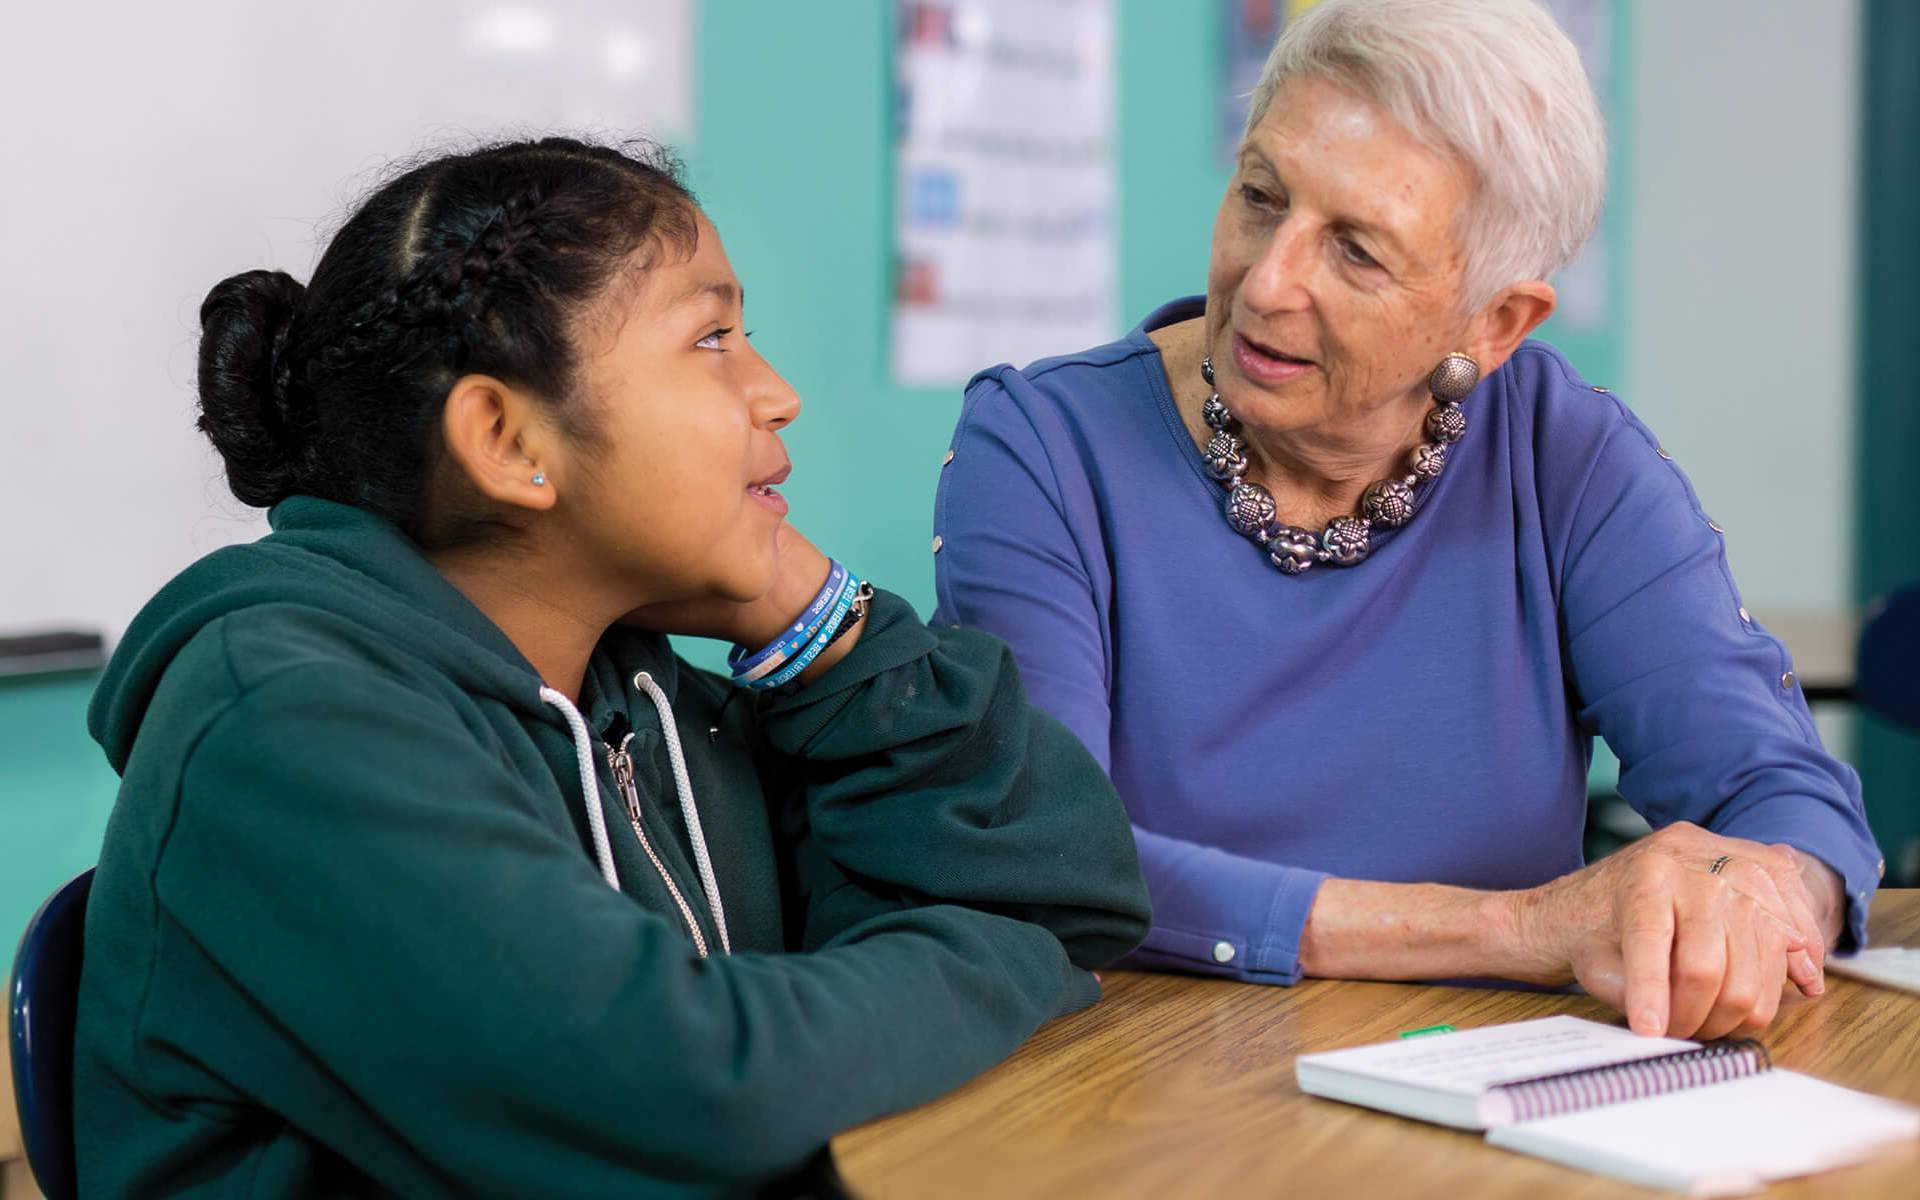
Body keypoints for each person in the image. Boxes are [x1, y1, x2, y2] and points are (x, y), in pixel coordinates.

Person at [75, 137, 1150, 1198]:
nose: (777, 393)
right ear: (507, 440)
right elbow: (695, 1094)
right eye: (713, 338)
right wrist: (1014, 959)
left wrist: (819, 627)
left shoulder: (626, 689)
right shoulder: (283, 723)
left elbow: (1072, 888)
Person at [931, 0, 1881, 1042]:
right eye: (1260, 195)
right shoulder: (1043, 449)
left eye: (1357, 251)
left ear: (1497, 321)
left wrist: (1755, 906)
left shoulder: (1567, 458)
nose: (1267, 278)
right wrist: (1524, 929)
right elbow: (1053, 855)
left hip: (1488, 1103)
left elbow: (1781, 794)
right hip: (1132, 1085)